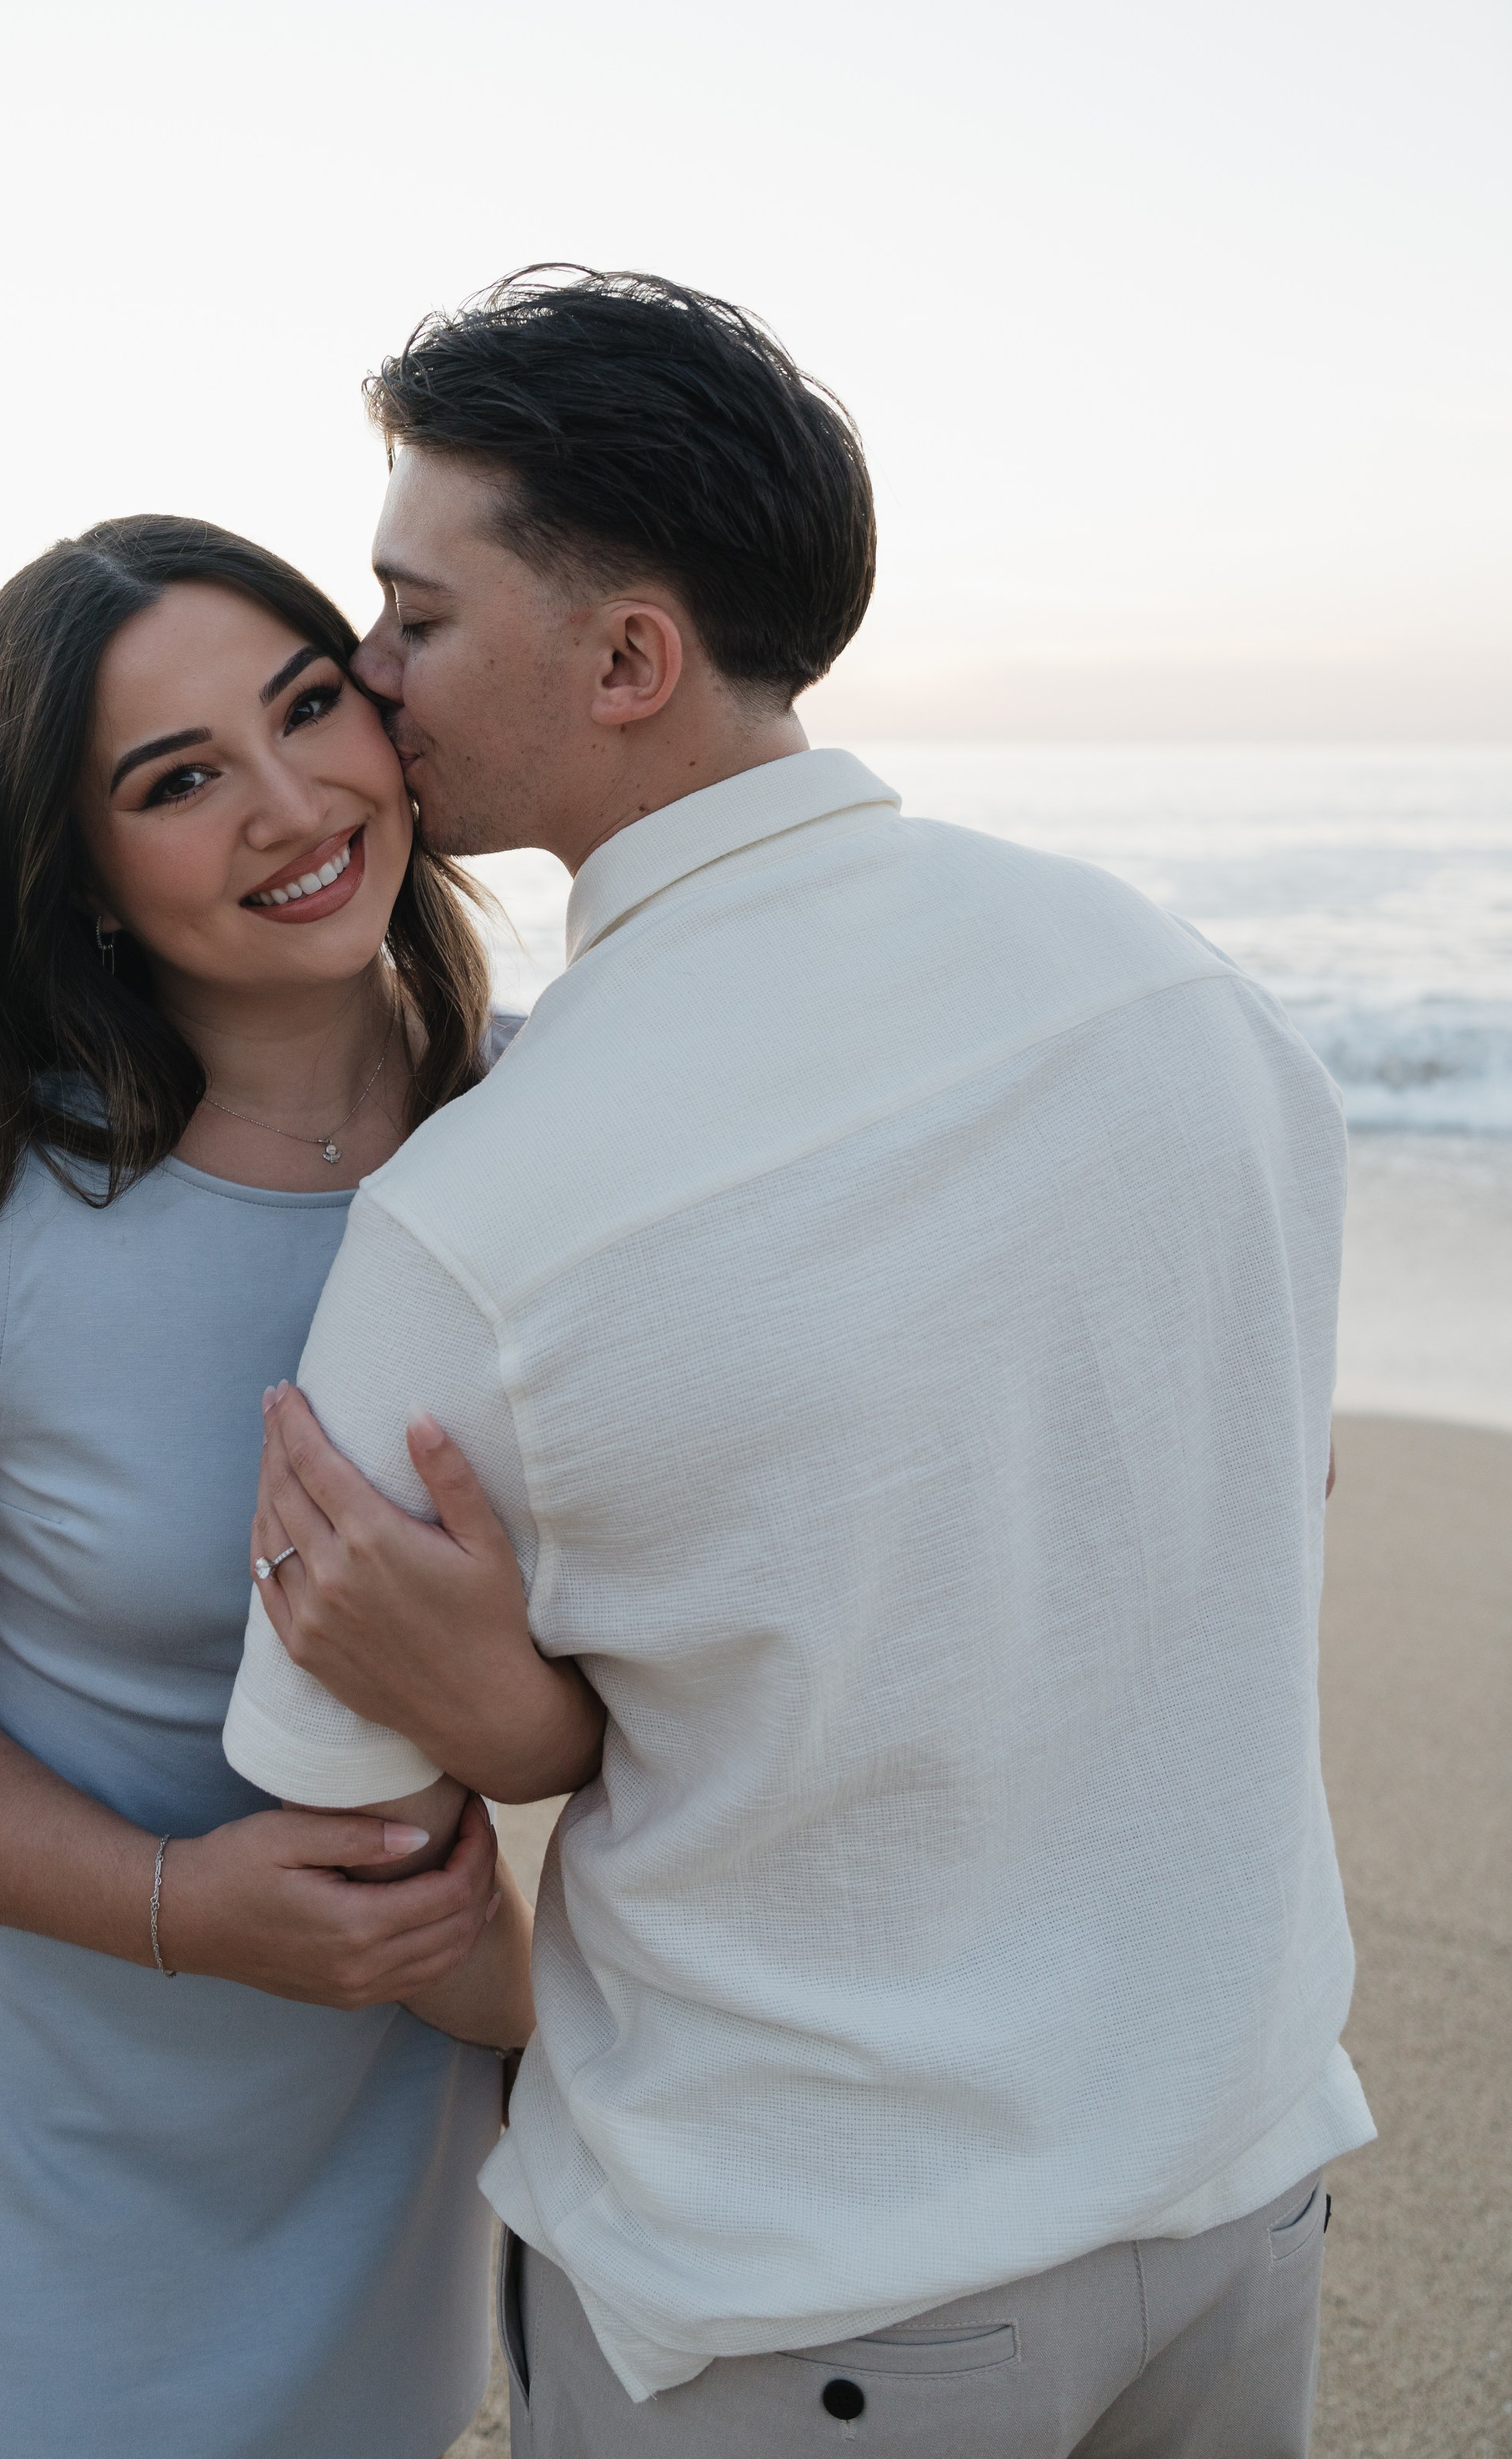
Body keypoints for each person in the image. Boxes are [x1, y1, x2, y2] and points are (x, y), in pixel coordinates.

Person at [225, 268, 1371, 2458]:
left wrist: (543, 1731)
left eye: (415, 616)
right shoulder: (1179, 993)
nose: (367, 673)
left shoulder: (484, 1217)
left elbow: (351, 1836)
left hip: (801, 2292)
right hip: (1237, 2188)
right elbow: (1248, 1490)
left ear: (627, 660)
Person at [0, 515, 533, 2459]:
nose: (288, 805)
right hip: (32, 2165)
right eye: (176, 782)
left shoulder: (556, 1132)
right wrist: (179, 1904)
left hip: (386, 2141)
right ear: (71, 868)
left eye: (307, 708)